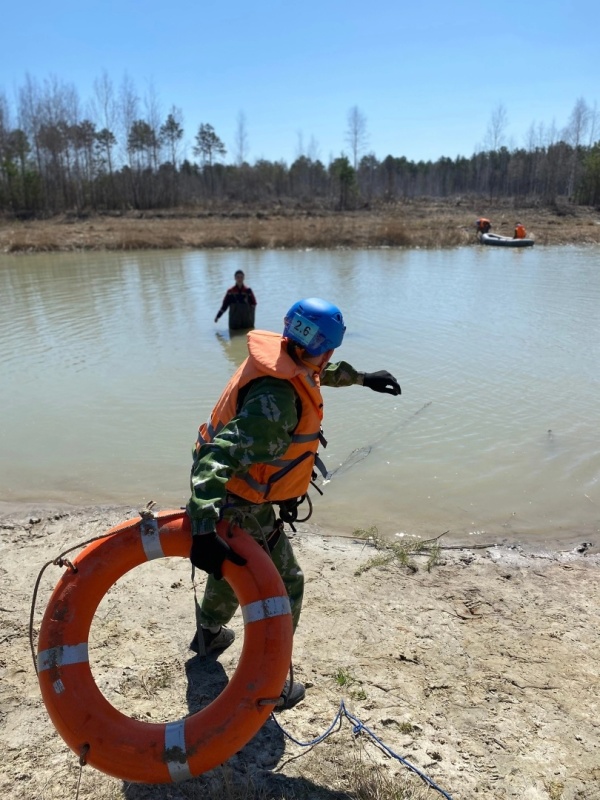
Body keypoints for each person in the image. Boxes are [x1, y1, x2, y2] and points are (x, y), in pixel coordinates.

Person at [187, 297, 401, 710]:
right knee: (285, 583)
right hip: (238, 500)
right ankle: (270, 681)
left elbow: (315, 371)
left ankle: (208, 632)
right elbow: (218, 457)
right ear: (328, 346)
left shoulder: (288, 355)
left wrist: (362, 378)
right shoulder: (277, 403)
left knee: (234, 565)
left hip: (243, 495)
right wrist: (201, 527)